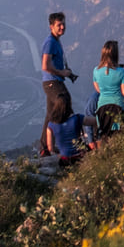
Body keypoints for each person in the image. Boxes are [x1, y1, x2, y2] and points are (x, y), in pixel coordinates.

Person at [38, 11, 78, 157]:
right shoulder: (50, 43)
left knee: (50, 114)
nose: (62, 27)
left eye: (63, 24)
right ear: (51, 27)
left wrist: (66, 72)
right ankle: (68, 144)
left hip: (52, 81)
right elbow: (45, 66)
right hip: (52, 82)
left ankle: (45, 148)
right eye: (58, 25)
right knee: (64, 102)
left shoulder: (56, 41)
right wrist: (62, 73)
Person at [45, 92, 96, 166]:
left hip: (65, 160)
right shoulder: (77, 118)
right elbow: (95, 121)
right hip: (80, 156)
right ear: (69, 105)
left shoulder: (51, 125)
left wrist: (61, 151)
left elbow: (50, 148)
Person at [92, 39, 124, 139]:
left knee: (105, 137)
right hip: (118, 107)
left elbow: (98, 89)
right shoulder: (122, 72)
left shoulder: (96, 71)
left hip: (102, 108)